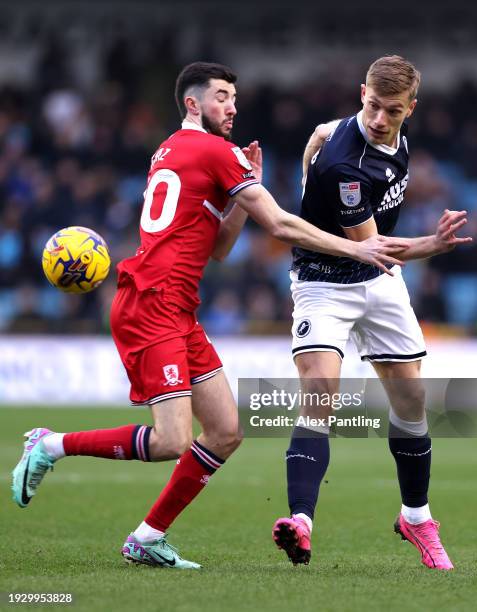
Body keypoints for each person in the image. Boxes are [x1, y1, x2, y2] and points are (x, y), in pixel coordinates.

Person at [12, 61, 408, 570]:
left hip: (176, 308)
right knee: (171, 440)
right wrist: (359, 249)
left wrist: (245, 190)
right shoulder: (212, 150)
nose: (233, 105)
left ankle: (147, 536)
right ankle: (50, 445)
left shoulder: (173, 151)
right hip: (152, 305)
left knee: (224, 431)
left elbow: (219, 247)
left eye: (235, 97)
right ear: (193, 104)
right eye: (222, 96)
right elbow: (283, 225)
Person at [272, 55, 472, 571]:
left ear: (411, 108)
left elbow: (317, 133)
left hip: (379, 286)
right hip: (324, 280)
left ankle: (416, 517)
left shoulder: (382, 136)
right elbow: (374, 248)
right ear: (361, 92)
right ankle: (301, 521)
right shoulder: (348, 166)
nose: (379, 119)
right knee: (320, 392)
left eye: (392, 111)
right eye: (372, 106)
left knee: (411, 402)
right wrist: (434, 243)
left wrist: (302, 178)